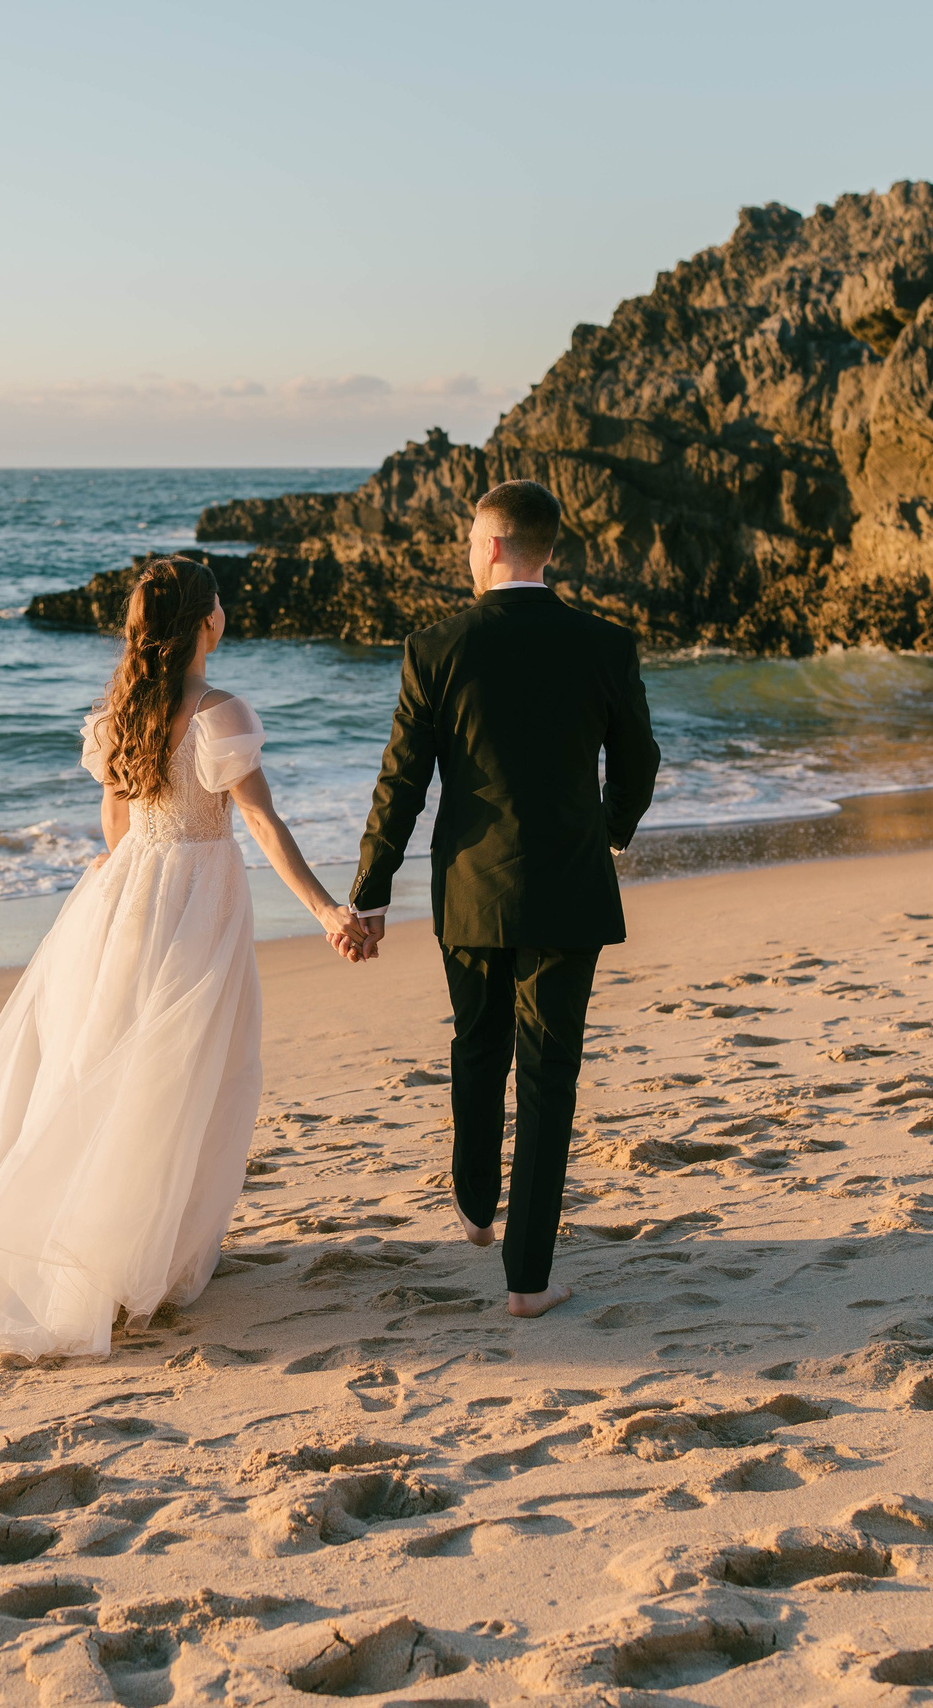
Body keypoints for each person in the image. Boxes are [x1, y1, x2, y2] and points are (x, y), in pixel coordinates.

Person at [0, 556, 363, 1358]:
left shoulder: (121, 710)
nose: (225, 610)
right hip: (198, 905)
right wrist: (327, 908)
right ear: (203, 623)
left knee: (109, 1069)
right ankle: (147, 1259)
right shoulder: (221, 712)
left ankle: (113, 1253)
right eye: (217, 601)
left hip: (124, 902)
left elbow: (116, 831)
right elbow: (260, 824)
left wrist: (126, 885)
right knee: (192, 1072)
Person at [340, 480, 660, 1319]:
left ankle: (476, 1207)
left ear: (486, 547)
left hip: (471, 891)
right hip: (567, 885)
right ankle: (528, 1280)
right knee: (549, 1075)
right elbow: (639, 762)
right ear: (546, 550)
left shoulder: (436, 647)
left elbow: (400, 783)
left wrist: (371, 891)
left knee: (478, 1043)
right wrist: (611, 830)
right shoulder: (605, 643)